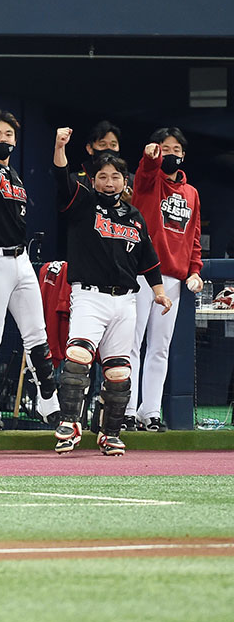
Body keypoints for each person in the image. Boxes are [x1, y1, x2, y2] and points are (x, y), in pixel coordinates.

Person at [51, 127, 171, 455]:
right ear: (92, 180)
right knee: (78, 357)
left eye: (115, 176)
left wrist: (158, 291)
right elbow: (61, 177)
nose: (108, 182)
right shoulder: (82, 203)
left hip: (126, 301)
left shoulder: (134, 218)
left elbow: (148, 260)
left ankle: (111, 433)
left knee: (119, 370)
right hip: (90, 295)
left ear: (124, 181)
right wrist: (60, 146)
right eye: (102, 176)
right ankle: (70, 421)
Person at [0, 106, 61, 429]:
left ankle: (49, 404)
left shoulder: (15, 176)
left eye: (8, 134)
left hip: (21, 261)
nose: (3, 138)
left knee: (37, 334)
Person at [125, 130, 204, 431]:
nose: (171, 153)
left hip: (173, 276)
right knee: (131, 344)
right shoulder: (148, 183)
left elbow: (194, 236)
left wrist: (194, 270)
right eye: (165, 148)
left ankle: (151, 411)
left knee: (160, 347)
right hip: (141, 273)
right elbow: (145, 174)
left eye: (176, 148)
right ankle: (127, 410)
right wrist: (149, 158)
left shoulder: (192, 193)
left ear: (183, 155)